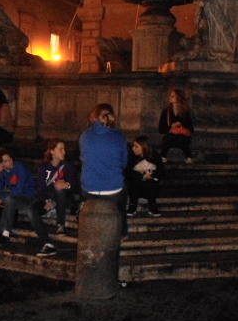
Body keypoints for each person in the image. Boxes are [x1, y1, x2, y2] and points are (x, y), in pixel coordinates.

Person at [79, 103, 129, 240]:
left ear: (93, 117)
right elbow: (124, 163)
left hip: (89, 189)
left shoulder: (85, 135)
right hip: (114, 190)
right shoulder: (119, 136)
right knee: (123, 199)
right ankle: (122, 232)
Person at [36, 138, 78, 235]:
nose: (64, 152)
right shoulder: (44, 167)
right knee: (32, 209)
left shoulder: (68, 166)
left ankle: (60, 225)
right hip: (48, 198)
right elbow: (40, 186)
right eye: (60, 149)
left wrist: (66, 185)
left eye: (64, 149)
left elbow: (75, 184)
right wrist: (47, 200)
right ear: (52, 151)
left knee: (59, 188)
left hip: (65, 198)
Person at [126, 135, 163, 217]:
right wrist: (141, 175)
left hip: (150, 185)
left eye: (136, 147)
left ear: (143, 147)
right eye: (133, 146)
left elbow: (161, 171)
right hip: (136, 184)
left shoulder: (155, 156)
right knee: (133, 181)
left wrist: (151, 175)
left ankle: (152, 206)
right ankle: (132, 205)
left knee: (151, 183)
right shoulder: (131, 157)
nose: (133, 149)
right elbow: (127, 172)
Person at [158, 89, 195, 163]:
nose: (170, 98)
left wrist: (181, 125)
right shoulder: (166, 112)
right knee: (169, 137)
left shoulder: (185, 112)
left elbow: (191, 129)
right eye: (170, 96)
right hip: (170, 137)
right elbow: (161, 128)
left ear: (178, 97)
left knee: (181, 138)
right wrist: (171, 126)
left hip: (182, 137)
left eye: (172, 96)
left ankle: (188, 157)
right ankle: (163, 156)